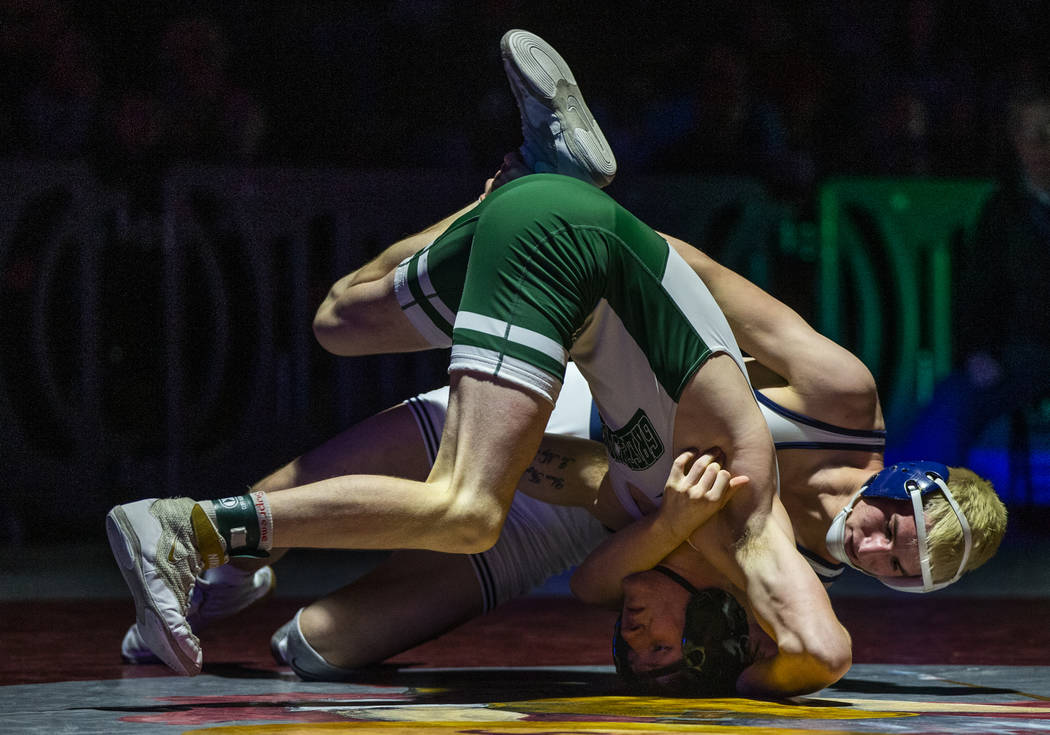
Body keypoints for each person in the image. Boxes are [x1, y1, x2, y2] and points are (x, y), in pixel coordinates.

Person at [107, 28, 850, 698]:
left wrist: (659, 529)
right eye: (660, 642)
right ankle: (191, 529)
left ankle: (526, 172)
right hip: (572, 256)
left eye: (633, 650)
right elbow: (822, 651)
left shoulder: (633, 503)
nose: (632, 631)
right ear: (723, 622)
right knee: (466, 511)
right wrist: (747, 678)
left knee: (339, 319)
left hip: (542, 235)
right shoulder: (746, 508)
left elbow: (583, 548)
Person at [897, 78, 1050, 472]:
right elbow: (977, 293)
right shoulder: (1003, 210)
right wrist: (979, 351)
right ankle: (908, 498)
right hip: (1020, 354)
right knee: (956, 398)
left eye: (1048, 133)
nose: (1041, 146)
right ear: (1016, 140)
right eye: (1032, 134)